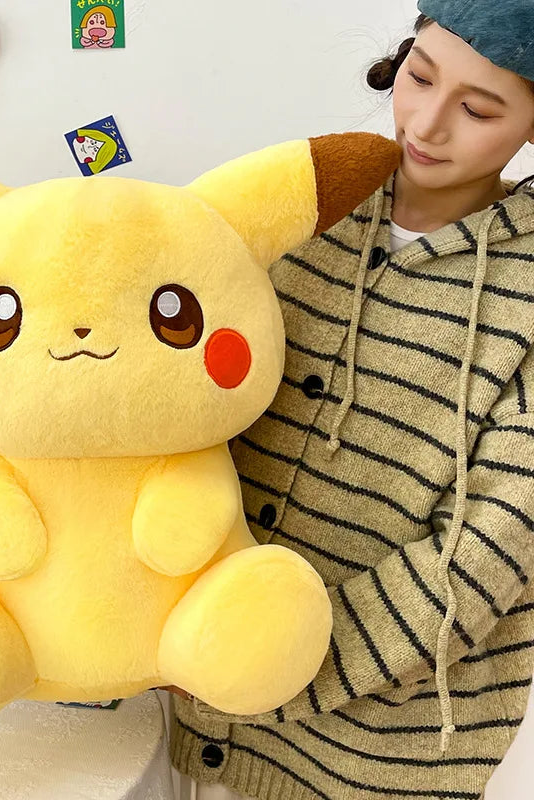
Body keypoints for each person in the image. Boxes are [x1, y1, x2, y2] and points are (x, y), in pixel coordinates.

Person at [168, 1, 534, 798]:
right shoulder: (299, 208)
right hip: (188, 717)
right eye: (419, 77)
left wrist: (262, 672)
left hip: (372, 758)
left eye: (478, 110)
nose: (426, 125)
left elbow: (483, 559)